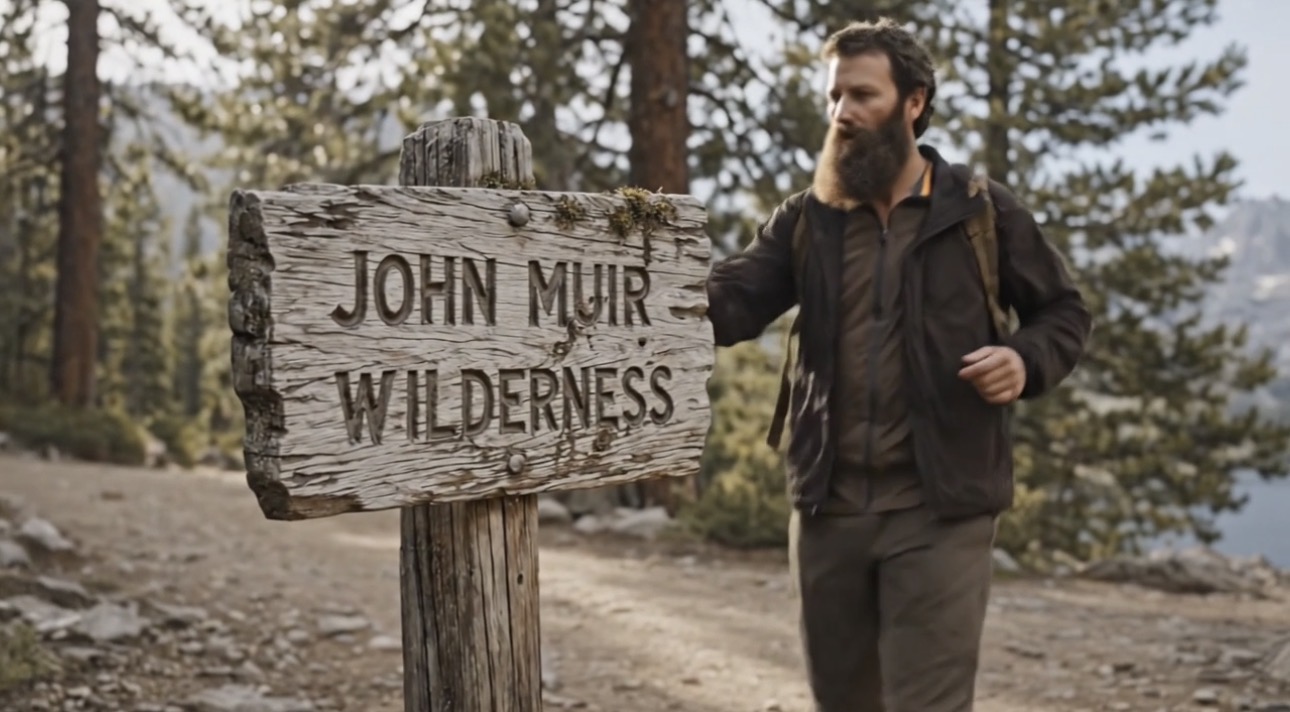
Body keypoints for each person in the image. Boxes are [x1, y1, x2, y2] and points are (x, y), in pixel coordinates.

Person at [704, 17, 1093, 712]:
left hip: (940, 509)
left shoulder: (981, 211)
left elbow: (1064, 313)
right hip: (828, 508)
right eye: (834, 97)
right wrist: (640, 283)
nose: (842, 114)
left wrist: (1023, 360)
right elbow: (732, 303)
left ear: (913, 103)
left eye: (863, 96)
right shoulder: (807, 220)